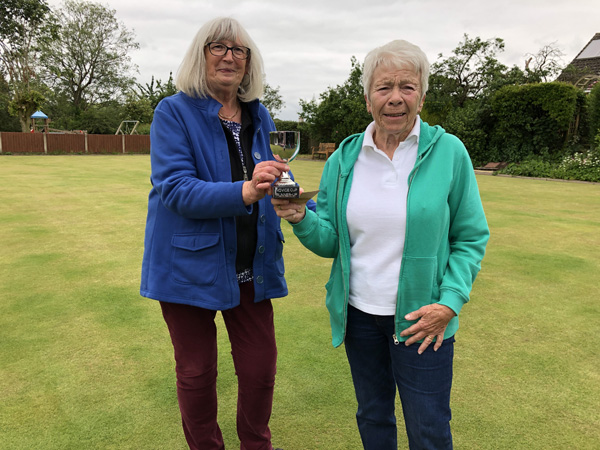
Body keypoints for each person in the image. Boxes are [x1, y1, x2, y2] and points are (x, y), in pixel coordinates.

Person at [272, 39, 490, 450]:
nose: (395, 98)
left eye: (406, 87)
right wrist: (301, 218)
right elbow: (333, 242)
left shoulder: (449, 152)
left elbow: (471, 236)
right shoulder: (346, 157)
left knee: (428, 428)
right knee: (372, 416)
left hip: (422, 320)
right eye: (383, 86)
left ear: (422, 96)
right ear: (368, 96)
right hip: (359, 317)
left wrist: (450, 302)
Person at [140, 17, 290, 450]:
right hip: (188, 267)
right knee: (196, 372)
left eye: (238, 50)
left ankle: (255, 444)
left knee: (260, 368)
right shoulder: (173, 111)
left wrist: (298, 198)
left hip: (251, 265)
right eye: (218, 47)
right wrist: (246, 189)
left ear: (249, 63)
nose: (229, 56)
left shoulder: (258, 115)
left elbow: (273, 172)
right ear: (200, 55)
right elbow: (176, 189)